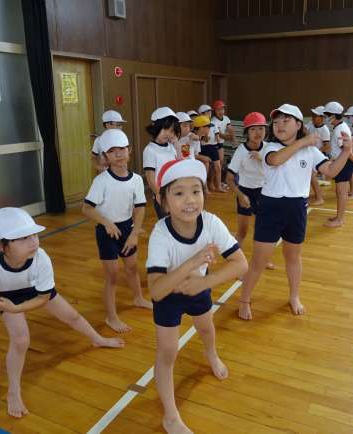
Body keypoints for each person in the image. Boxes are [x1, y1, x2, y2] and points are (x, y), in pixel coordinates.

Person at [0, 207, 124, 418]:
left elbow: (43, 298)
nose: (33, 241)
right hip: (8, 296)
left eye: (34, 234)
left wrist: (17, 309)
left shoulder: (41, 258)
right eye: (23, 238)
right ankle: (13, 391)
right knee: (21, 340)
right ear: (1, 245)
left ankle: (97, 339)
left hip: (35, 291)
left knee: (72, 316)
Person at [147, 158, 248, 434]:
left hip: (199, 287)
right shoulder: (160, 234)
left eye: (196, 191)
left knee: (206, 328)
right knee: (167, 352)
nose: (190, 200)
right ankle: (170, 416)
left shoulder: (211, 223)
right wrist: (191, 264)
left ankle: (211, 354)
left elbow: (241, 264)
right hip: (168, 295)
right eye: (179, 193)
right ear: (164, 201)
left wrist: (204, 282)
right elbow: (156, 291)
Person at [238, 104, 353, 321]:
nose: (279, 125)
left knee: (293, 257)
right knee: (259, 260)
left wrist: (347, 152)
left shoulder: (310, 151)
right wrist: (304, 141)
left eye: (286, 120)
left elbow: (330, 171)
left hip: (297, 209)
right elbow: (276, 160)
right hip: (271, 208)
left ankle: (294, 296)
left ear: (298, 124)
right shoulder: (270, 147)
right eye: (276, 121)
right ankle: (244, 299)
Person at [83, 129, 152, 333]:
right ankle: (111, 317)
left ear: (129, 150)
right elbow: (87, 208)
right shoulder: (101, 181)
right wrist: (106, 223)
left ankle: (138, 298)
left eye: (122, 149)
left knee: (132, 268)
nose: (119, 154)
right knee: (112, 276)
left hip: (126, 228)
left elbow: (140, 208)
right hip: (107, 232)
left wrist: (134, 233)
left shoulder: (136, 179)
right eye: (112, 151)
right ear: (105, 156)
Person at [226, 112, 274, 270]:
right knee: (242, 231)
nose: (258, 132)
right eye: (253, 129)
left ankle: (262, 260)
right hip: (245, 192)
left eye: (261, 128)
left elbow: (277, 170)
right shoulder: (241, 151)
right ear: (247, 132)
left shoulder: (269, 149)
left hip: (264, 192)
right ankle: (234, 261)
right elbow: (229, 178)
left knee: (262, 231)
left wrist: (262, 159)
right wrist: (240, 195)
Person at [323, 101, 353, 228]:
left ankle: (340, 219)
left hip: (344, 163)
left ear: (333, 116)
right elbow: (352, 141)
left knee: (341, 192)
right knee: (340, 192)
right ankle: (338, 216)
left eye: (327, 115)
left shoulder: (340, 129)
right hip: (342, 162)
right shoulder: (341, 126)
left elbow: (346, 149)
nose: (326, 118)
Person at [143, 107, 179, 219]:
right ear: (155, 128)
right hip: (162, 195)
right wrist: (159, 195)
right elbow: (150, 177)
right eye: (165, 129)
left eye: (171, 131)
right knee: (167, 224)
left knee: (177, 223)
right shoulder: (150, 150)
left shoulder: (171, 147)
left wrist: (176, 144)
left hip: (175, 192)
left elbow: (179, 165)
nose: (168, 134)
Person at [305, 106, 331, 206]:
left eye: (315, 116)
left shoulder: (325, 130)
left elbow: (327, 146)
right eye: (313, 115)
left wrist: (316, 153)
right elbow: (304, 129)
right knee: (309, 176)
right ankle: (311, 194)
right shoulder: (311, 124)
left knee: (311, 176)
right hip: (311, 155)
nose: (313, 118)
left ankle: (319, 198)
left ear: (322, 118)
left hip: (319, 156)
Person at [198, 104, 226, 192]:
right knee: (205, 167)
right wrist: (204, 137)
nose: (209, 114)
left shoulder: (213, 123)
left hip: (213, 147)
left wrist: (218, 140)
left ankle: (218, 186)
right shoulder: (199, 124)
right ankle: (205, 186)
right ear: (201, 114)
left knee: (218, 167)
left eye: (210, 112)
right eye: (207, 112)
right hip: (203, 148)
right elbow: (200, 136)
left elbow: (216, 133)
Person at [212, 99, 235, 187]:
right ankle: (213, 182)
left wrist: (233, 140)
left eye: (222, 109)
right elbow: (220, 135)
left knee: (220, 162)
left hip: (220, 143)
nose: (220, 111)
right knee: (217, 163)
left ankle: (217, 182)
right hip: (214, 144)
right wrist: (230, 138)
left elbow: (231, 129)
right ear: (214, 111)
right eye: (218, 110)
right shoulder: (213, 121)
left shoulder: (226, 118)